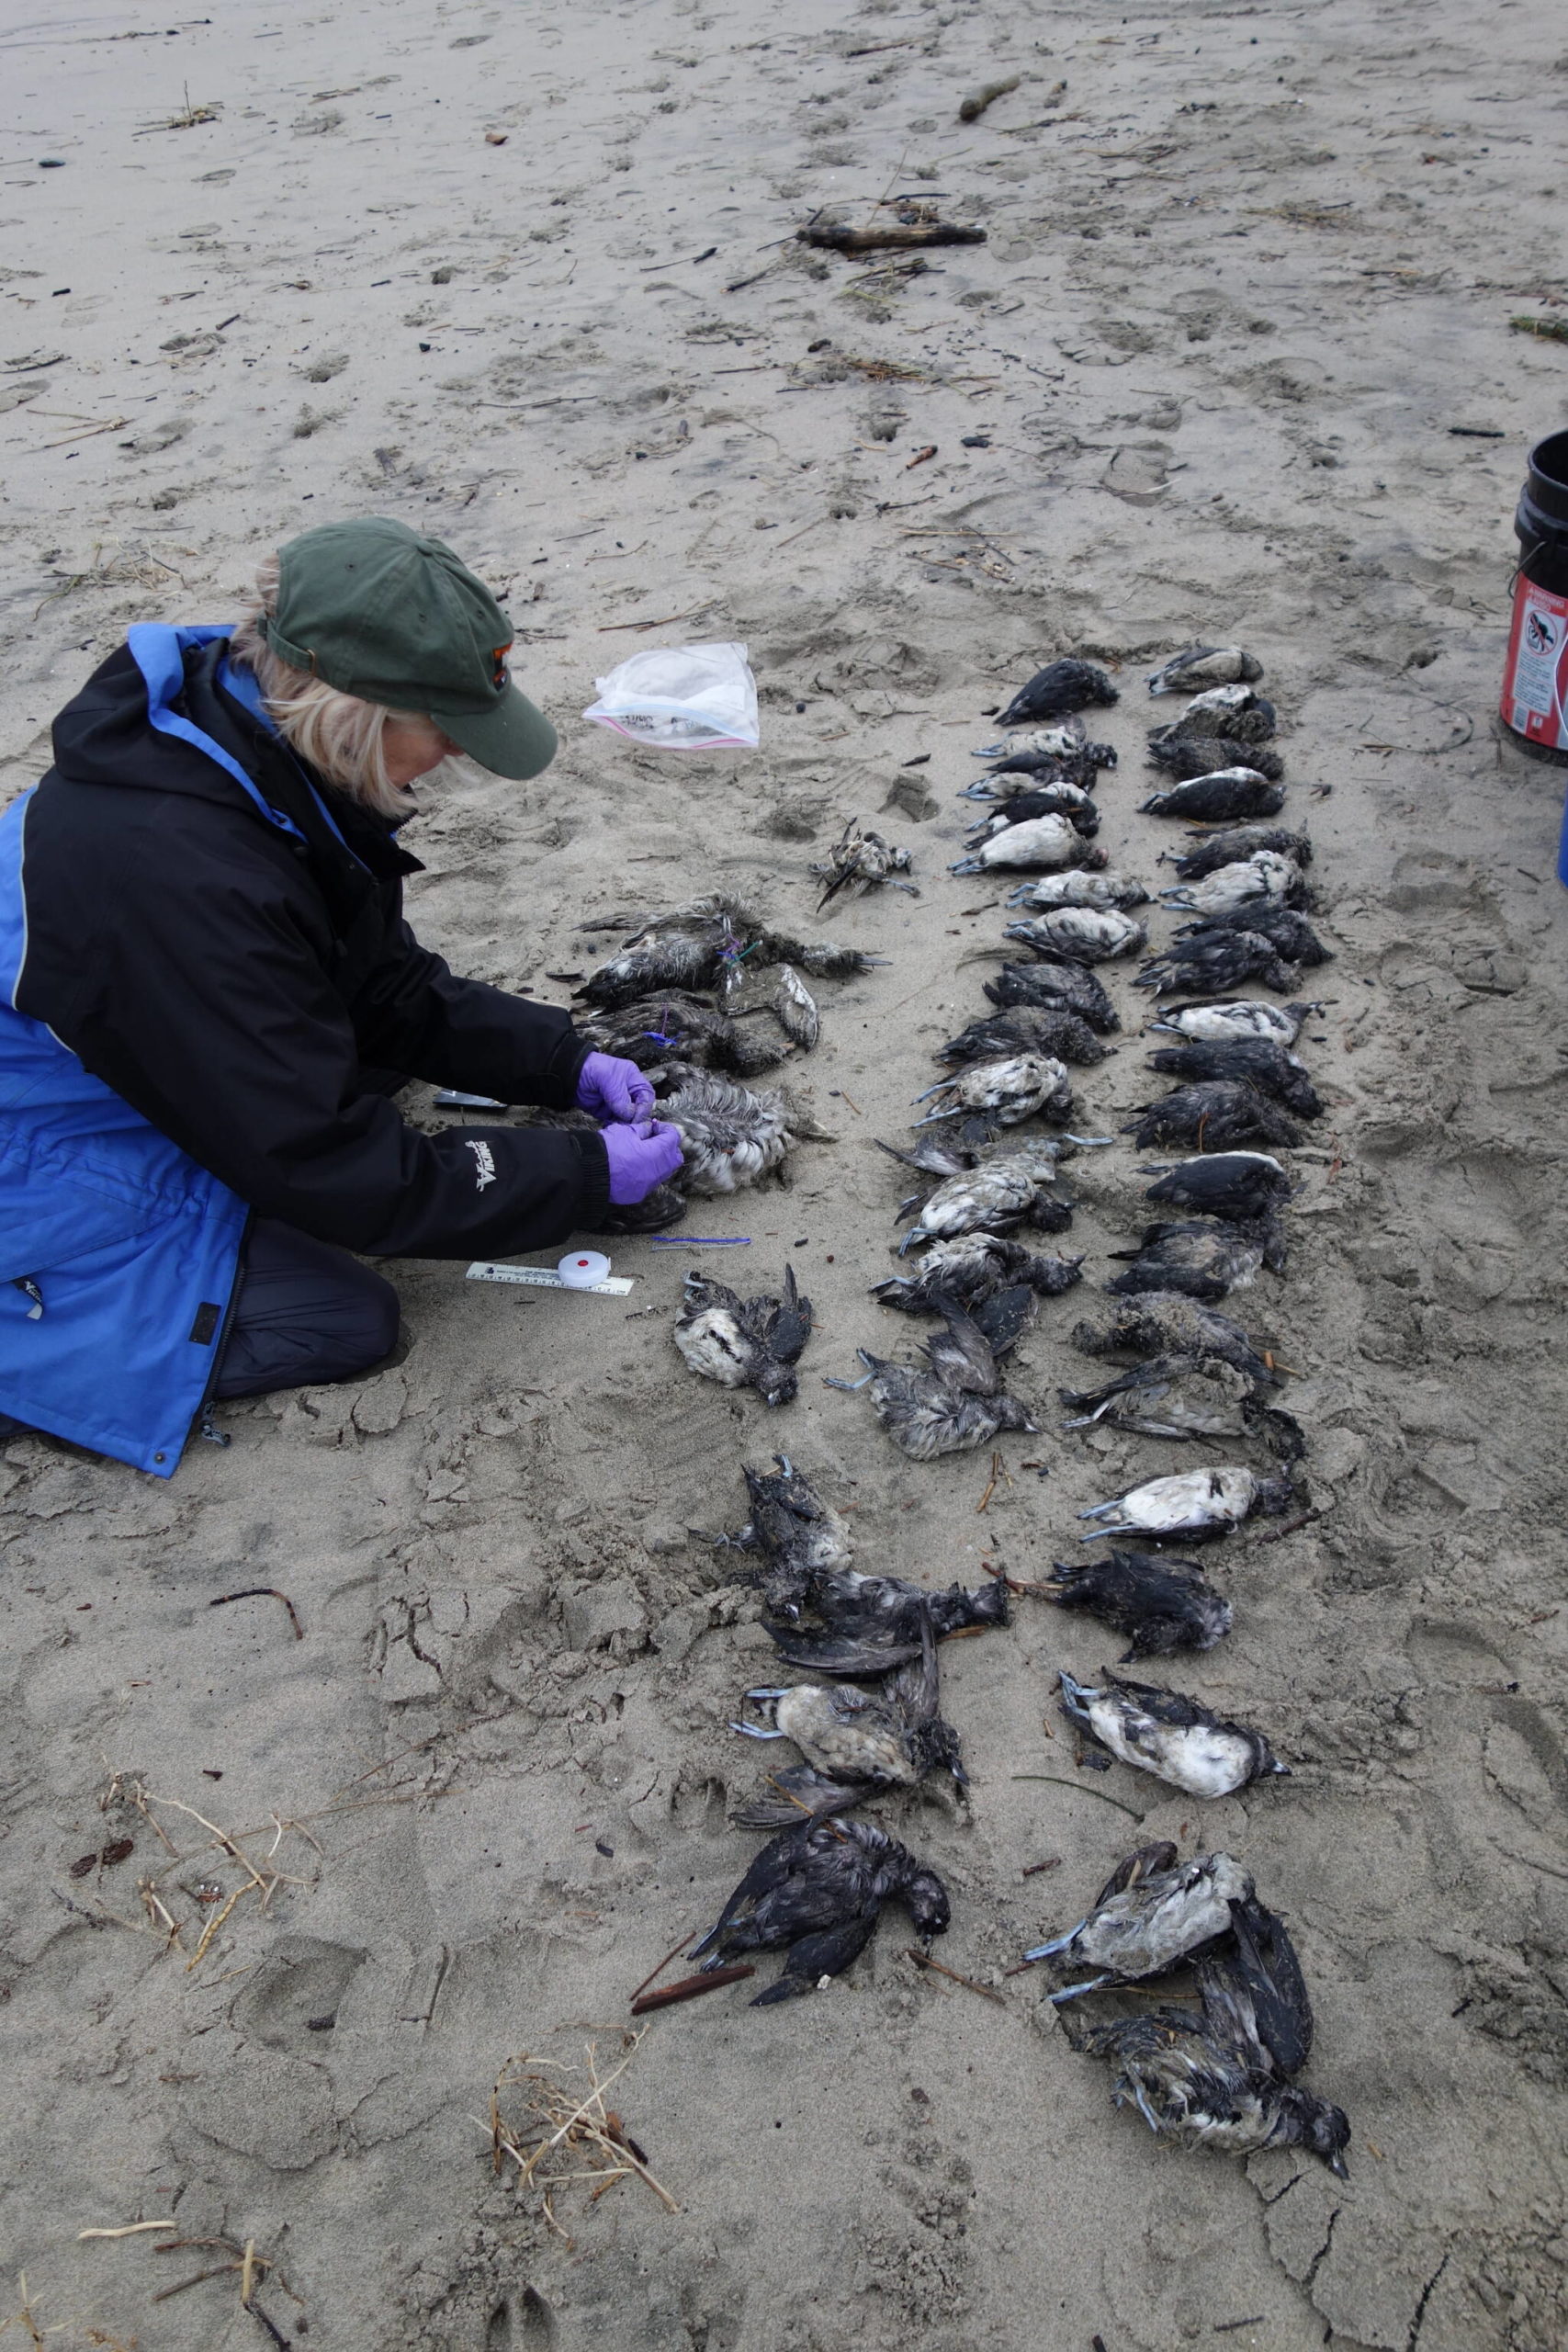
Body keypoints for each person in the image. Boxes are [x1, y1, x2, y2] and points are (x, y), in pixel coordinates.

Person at [0, 516, 684, 1477]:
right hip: (31, 1160)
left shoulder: (245, 746)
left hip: (125, 1038)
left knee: (363, 1059)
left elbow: (378, 985)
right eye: (442, 727)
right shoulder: (181, 876)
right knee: (344, 1316)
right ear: (349, 706)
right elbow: (323, 1163)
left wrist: (559, 1059)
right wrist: (574, 1177)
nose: (453, 754)